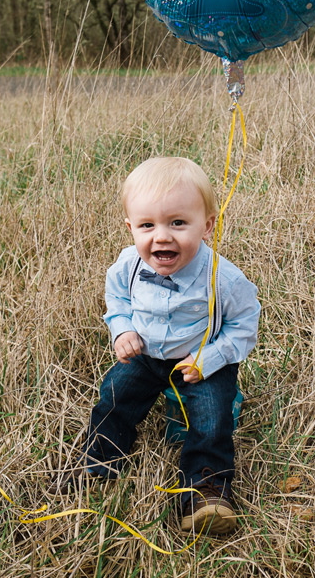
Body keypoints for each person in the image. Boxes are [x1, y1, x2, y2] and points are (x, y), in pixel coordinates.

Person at [54, 157, 260, 535]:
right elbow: (116, 299)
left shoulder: (223, 278)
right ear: (130, 227)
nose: (162, 236)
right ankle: (98, 460)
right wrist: (121, 329)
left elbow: (245, 325)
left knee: (211, 419)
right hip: (146, 355)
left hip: (199, 361)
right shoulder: (128, 265)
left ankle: (206, 489)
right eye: (148, 225)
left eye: (178, 223)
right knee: (114, 395)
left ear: (207, 226)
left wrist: (210, 358)